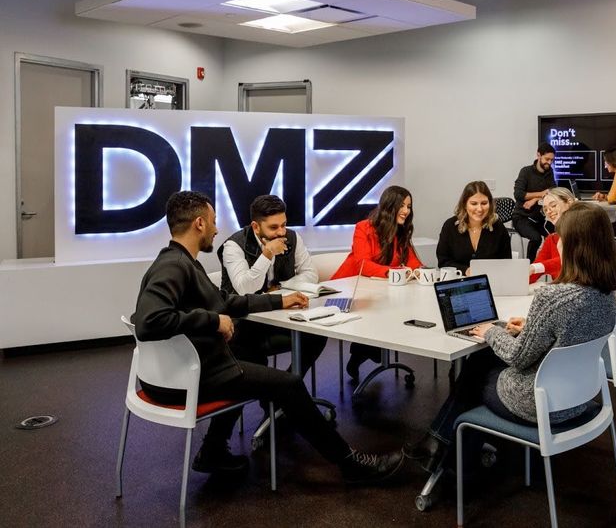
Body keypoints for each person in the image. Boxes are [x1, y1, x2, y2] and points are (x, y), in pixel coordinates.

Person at [132, 191, 403, 484]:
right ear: (198, 223)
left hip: (181, 371)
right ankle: (352, 463)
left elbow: (226, 300)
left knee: (249, 356)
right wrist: (214, 321)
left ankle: (212, 450)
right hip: (183, 379)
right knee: (288, 384)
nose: (216, 228)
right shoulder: (173, 266)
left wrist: (278, 302)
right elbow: (148, 322)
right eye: (212, 221)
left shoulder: (182, 261)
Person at [403, 203, 616, 473]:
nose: (558, 243)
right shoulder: (607, 295)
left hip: (539, 404)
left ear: (575, 246)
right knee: (482, 363)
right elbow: (571, 331)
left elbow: (518, 358)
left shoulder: (553, 298)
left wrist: (490, 330)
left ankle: (447, 458)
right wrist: (531, 326)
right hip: (578, 399)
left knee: (477, 367)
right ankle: (445, 448)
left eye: (561, 238)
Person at [218, 194, 326, 379]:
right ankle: (280, 392)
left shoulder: (292, 237)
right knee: (250, 350)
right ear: (256, 226)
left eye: (283, 224)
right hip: (243, 323)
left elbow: (310, 274)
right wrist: (267, 254)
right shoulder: (233, 245)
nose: (281, 232)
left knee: (316, 335)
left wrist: (280, 286)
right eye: (274, 227)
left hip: (279, 314)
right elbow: (246, 289)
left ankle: (289, 388)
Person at [332, 185, 423, 381]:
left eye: (409, 206)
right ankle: (363, 352)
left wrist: (421, 272)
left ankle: (363, 352)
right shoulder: (363, 227)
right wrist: (397, 272)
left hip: (380, 290)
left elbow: (413, 262)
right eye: (403, 205)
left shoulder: (401, 231)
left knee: (400, 310)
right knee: (383, 314)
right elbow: (362, 264)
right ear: (390, 205)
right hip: (350, 289)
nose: (407, 211)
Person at [437, 181, 512, 275]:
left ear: (490, 204)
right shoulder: (450, 226)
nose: (480, 209)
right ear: (465, 204)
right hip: (458, 281)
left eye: (484, 203)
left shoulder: (498, 227)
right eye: (474, 203)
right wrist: (466, 270)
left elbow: (506, 263)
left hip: (490, 282)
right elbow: (443, 262)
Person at [511, 143, 557, 261]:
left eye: (552, 160)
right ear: (538, 155)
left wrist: (535, 199)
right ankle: (529, 269)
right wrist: (542, 194)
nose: (550, 163)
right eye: (547, 159)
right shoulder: (526, 172)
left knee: (557, 236)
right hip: (522, 217)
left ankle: (553, 268)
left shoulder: (549, 172)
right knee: (536, 238)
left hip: (540, 218)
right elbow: (519, 194)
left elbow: (552, 191)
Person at [529, 187, 577, 283]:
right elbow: (533, 273)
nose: (549, 211)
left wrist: (537, 267)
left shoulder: (587, 232)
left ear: (570, 202)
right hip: (561, 292)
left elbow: (571, 261)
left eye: (553, 205)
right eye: (545, 210)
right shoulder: (552, 239)